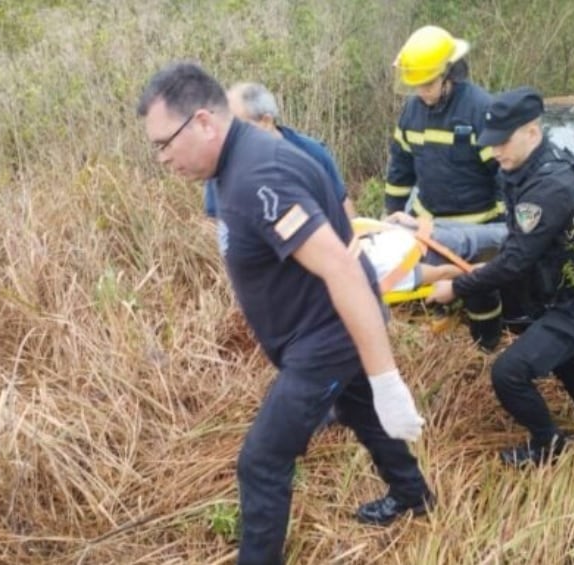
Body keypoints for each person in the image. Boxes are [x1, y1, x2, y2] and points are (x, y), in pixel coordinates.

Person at [137, 62, 432, 565]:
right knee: (361, 411)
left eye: (164, 144)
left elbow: (341, 266)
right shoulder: (241, 163)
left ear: (204, 121)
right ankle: (413, 495)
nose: (162, 159)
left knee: (262, 461)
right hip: (320, 331)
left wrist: (387, 377)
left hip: (324, 339)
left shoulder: (259, 177)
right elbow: (342, 229)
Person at [429, 87, 574, 467]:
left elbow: (515, 260)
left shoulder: (550, 185)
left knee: (508, 373)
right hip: (563, 294)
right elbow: (520, 245)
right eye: (491, 143)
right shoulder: (523, 169)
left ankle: (547, 444)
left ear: (532, 131)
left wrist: (457, 287)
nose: (496, 151)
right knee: (570, 358)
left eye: (503, 141)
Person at [386, 25, 505, 350]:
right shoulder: (412, 111)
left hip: (477, 227)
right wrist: (392, 214)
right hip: (426, 226)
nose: (422, 91)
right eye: (417, 85)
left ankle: (486, 348)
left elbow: (503, 172)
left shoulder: (480, 109)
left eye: (428, 83)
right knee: (422, 291)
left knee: (479, 290)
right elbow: (400, 168)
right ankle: (441, 353)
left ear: (448, 72)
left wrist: (510, 229)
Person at [204, 82, 356, 220]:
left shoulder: (312, 154)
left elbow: (344, 209)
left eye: (238, 127)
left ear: (266, 121)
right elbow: (220, 228)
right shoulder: (221, 169)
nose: (231, 136)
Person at [352, 212, 508, 301]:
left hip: (425, 231)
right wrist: (476, 270)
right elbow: (439, 273)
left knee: (499, 232)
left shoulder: (344, 250)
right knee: (503, 236)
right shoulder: (370, 272)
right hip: (439, 247)